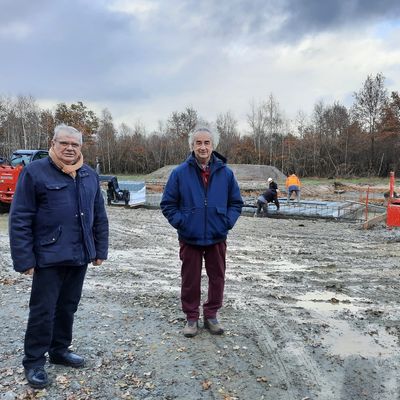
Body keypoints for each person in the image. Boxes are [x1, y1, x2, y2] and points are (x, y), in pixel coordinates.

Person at [9, 124, 109, 389]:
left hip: (79, 254)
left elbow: (99, 214)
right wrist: (24, 259)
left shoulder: (88, 175)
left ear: (81, 148)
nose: (70, 148)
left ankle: (60, 350)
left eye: (75, 145)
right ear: (53, 143)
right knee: (43, 310)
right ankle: (33, 361)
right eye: (64, 143)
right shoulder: (35, 173)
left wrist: (100, 249)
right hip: (48, 255)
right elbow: (20, 218)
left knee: (68, 306)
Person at [160, 125, 243, 338]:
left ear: (213, 146)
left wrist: (226, 222)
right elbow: (168, 203)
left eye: (207, 142)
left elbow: (236, 202)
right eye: (198, 143)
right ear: (192, 146)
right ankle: (191, 317)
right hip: (190, 236)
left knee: (217, 277)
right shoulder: (179, 173)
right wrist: (183, 222)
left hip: (217, 235)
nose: (203, 147)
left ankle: (211, 315)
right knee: (190, 278)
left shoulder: (226, 173)